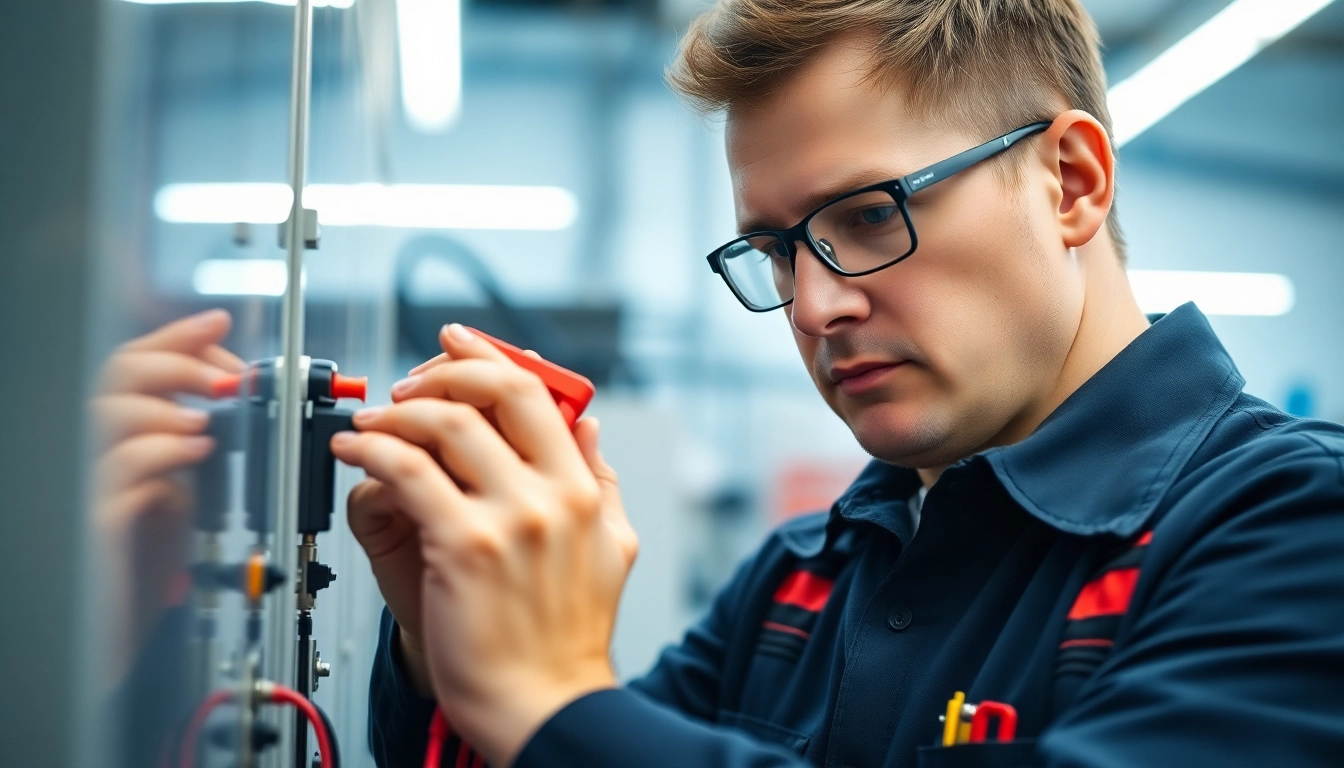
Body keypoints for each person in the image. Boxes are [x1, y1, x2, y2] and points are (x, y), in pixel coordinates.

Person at [333, 1, 1344, 766]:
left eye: (867, 216)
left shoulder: (1294, 528)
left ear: (1070, 182)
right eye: (776, 250)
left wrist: (555, 702)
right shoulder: (807, 574)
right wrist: (453, 639)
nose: (814, 308)